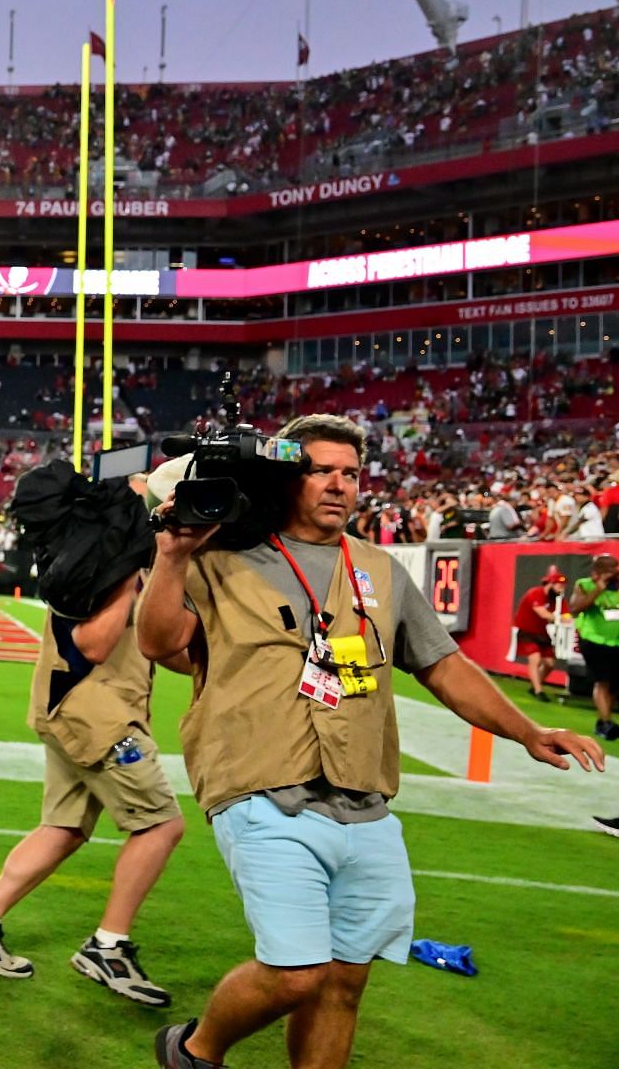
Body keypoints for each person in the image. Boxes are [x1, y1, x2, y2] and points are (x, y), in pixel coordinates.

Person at [139, 413, 606, 1069]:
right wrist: (173, 554)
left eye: (350, 473)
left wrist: (526, 730)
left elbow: (444, 665)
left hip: (364, 794)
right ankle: (194, 1051)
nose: (338, 485)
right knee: (297, 973)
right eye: (320, 470)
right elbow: (159, 644)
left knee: (343, 984)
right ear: (285, 475)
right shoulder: (220, 552)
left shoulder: (382, 570)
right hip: (261, 786)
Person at [0, 502, 188, 1007]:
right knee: (161, 825)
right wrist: (128, 581)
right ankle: (108, 946)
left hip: (79, 711)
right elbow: (94, 644)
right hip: (96, 717)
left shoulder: (87, 549)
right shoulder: (104, 560)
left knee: (64, 828)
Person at [569, 553, 619, 741]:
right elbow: (575, 608)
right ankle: (607, 723)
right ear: (597, 572)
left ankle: (602, 721)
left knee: (614, 685)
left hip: (616, 642)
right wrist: (598, 588)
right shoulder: (585, 584)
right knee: (602, 681)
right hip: (593, 641)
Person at [512, 567, 568, 702]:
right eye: (559, 586)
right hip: (527, 632)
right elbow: (543, 613)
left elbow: (566, 615)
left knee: (549, 663)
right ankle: (538, 691)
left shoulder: (557, 600)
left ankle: (534, 685)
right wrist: (559, 618)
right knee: (535, 658)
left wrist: (567, 618)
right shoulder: (535, 593)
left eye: (563, 586)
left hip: (542, 634)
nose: (561, 589)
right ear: (551, 584)